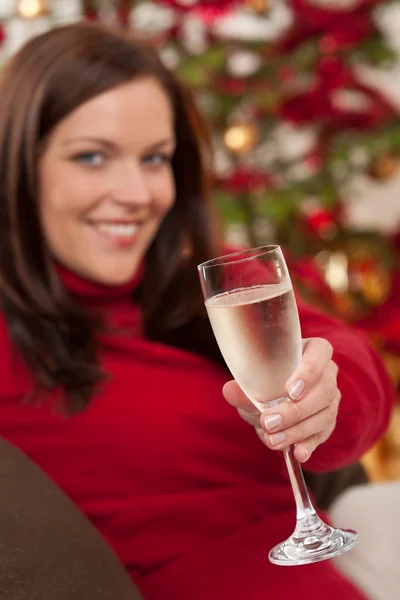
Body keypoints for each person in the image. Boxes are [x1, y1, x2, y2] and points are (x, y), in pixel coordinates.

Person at [0, 21, 394, 600]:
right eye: (91, 156)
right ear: (18, 167)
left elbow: (355, 368)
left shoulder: (217, 285)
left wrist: (329, 398)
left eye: (155, 159)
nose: (137, 194)